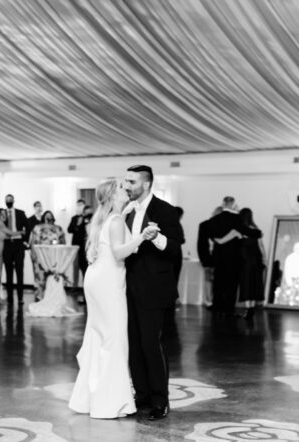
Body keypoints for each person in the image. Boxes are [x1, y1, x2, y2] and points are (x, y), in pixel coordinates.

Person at [69, 178, 157, 419]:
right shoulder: (116, 220)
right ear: (112, 196)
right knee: (115, 339)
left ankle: (90, 400)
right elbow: (120, 252)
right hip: (108, 282)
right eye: (121, 188)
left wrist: (127, 213)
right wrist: (143, 236)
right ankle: (111, 403)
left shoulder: (105, 218)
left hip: (96, 278)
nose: (126, 189)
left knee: (98, 336)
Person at [122, 165, 183, 421]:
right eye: (126, 181)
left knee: (152, 343)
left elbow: (176, 247)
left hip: (154, 289)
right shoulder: (126, 211)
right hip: (128, 287)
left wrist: (156, 237)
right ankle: (142, 394)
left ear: (146, 184)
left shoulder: (164, 210)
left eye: (132, 182)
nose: (127, 186)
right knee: (134, 344)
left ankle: (160, 399)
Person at [210, 196, 244, 314]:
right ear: (233, 204)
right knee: (232, 284)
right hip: (234, 257)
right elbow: (241, 236)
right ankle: (229, 307)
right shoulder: (238, 219)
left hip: (218, 256)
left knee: (218, 283)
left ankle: (216, 305)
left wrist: (220, 241)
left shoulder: (214, 219)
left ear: (223, 204)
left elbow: (212, 236)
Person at [29, 210, 66, 301]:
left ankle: (52, 295)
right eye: (46, 216)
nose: (48, 218)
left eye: (50, 216)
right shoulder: (37, 227)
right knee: (40, 275)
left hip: (53, 256)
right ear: (43, 217)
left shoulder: (58, 228)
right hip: (40, 256)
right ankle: (39, 295)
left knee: (52, 274)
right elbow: (33, 241)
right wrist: (33, 253)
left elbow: (63, 242)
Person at [0, 195, 29, 305]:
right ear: (5, 202)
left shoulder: (20, 213)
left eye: (10, 200)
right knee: (8, 272)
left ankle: (20, 297)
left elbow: (28, 226)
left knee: (19, 271)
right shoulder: (2, 214)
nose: (8, 202)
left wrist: (25, 241)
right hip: (6, 245)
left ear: (13, 201)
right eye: (7, 200)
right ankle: (10, 297)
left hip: (18, 245)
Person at [0, 208, 18, 305]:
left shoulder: (1, 225)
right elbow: (11, 233)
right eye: (1, 214)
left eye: (5, 214)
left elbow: (7, 236)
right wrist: (22, 232)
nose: (3, 215)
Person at [237, 208, 265, 311]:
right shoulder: (256, 229)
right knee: (255, 282)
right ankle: (253, 304)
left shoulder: (240, 230)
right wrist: (264, 259)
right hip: (256, 258)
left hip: (244, 259)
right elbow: (261, 246)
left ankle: (248, 306)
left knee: (246, 282)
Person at [197, 207, 223, 308]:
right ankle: (211, 300)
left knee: (210, 280)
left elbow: (201, 245)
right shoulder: (206, 225)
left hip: (211, 257)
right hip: (212, 257)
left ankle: (210, 301)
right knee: (212, 280)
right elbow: (201, 244)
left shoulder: (204, 225)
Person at [68, 200, 93, 289]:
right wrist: (77, 225)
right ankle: (74, 286)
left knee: (84, 266)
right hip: (75, 245)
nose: (79, 206)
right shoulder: (74, 218)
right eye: (78, 205)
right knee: (75, 266)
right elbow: (69, 229)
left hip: (84, 246)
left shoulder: (89, 218)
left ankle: (85, 286)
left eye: (81, 205)